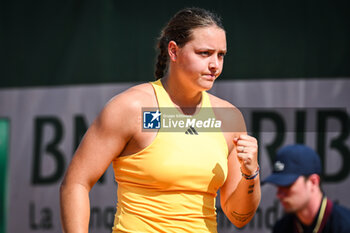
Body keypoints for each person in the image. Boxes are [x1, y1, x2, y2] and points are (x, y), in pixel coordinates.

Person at [60, 7, 261, 233]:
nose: (215, 64)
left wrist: (250, 173)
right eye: (204, 53)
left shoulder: (228, 117)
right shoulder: (132, 107)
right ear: (173, 52)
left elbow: (239, 217)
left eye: (221, 55)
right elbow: (75, 184)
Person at [263, 144, 350, 233]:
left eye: (287, 185)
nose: (279, 194)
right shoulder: (281, 227)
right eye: (278, 186)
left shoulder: (344, 225)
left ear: (313, 182)